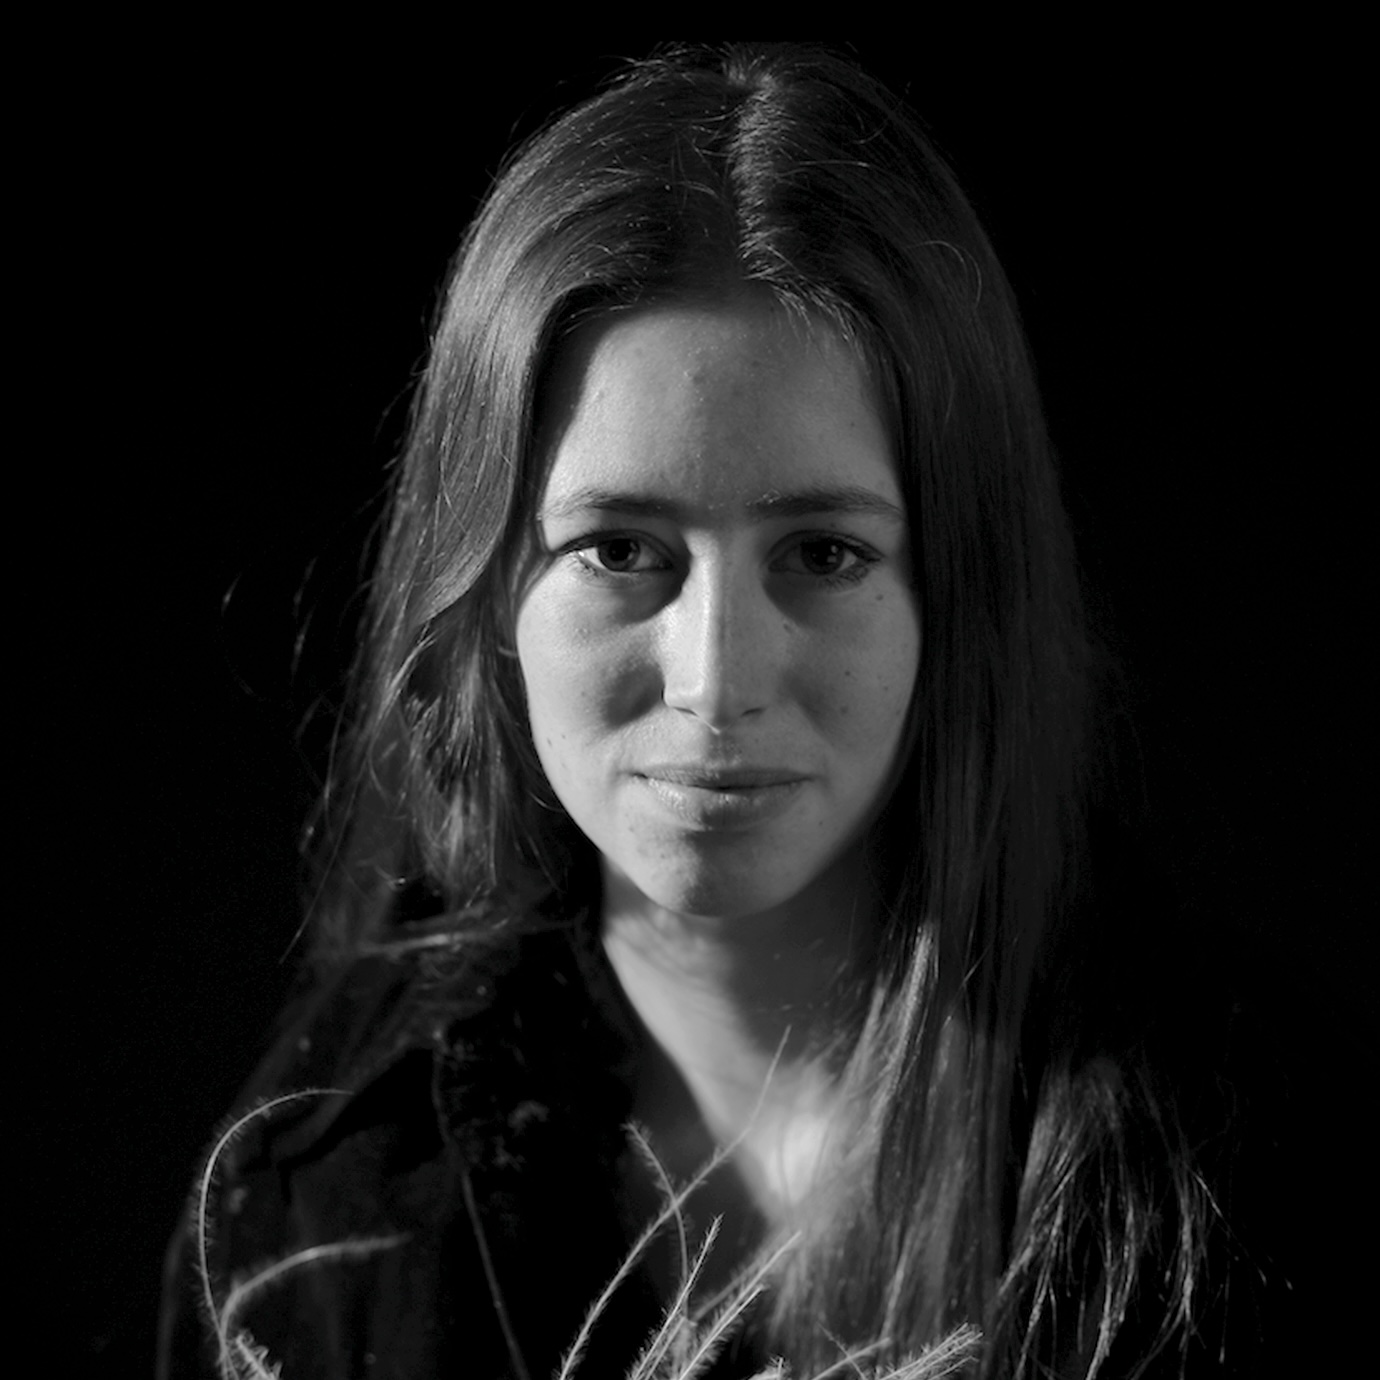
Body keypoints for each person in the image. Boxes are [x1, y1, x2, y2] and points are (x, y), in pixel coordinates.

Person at [160, 43, 1232, 1379]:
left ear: (961, 592)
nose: (716, 682)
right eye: (619, 549)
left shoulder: (1246, 1192)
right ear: (485, 586)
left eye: (823, 553)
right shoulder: (311, 1221)